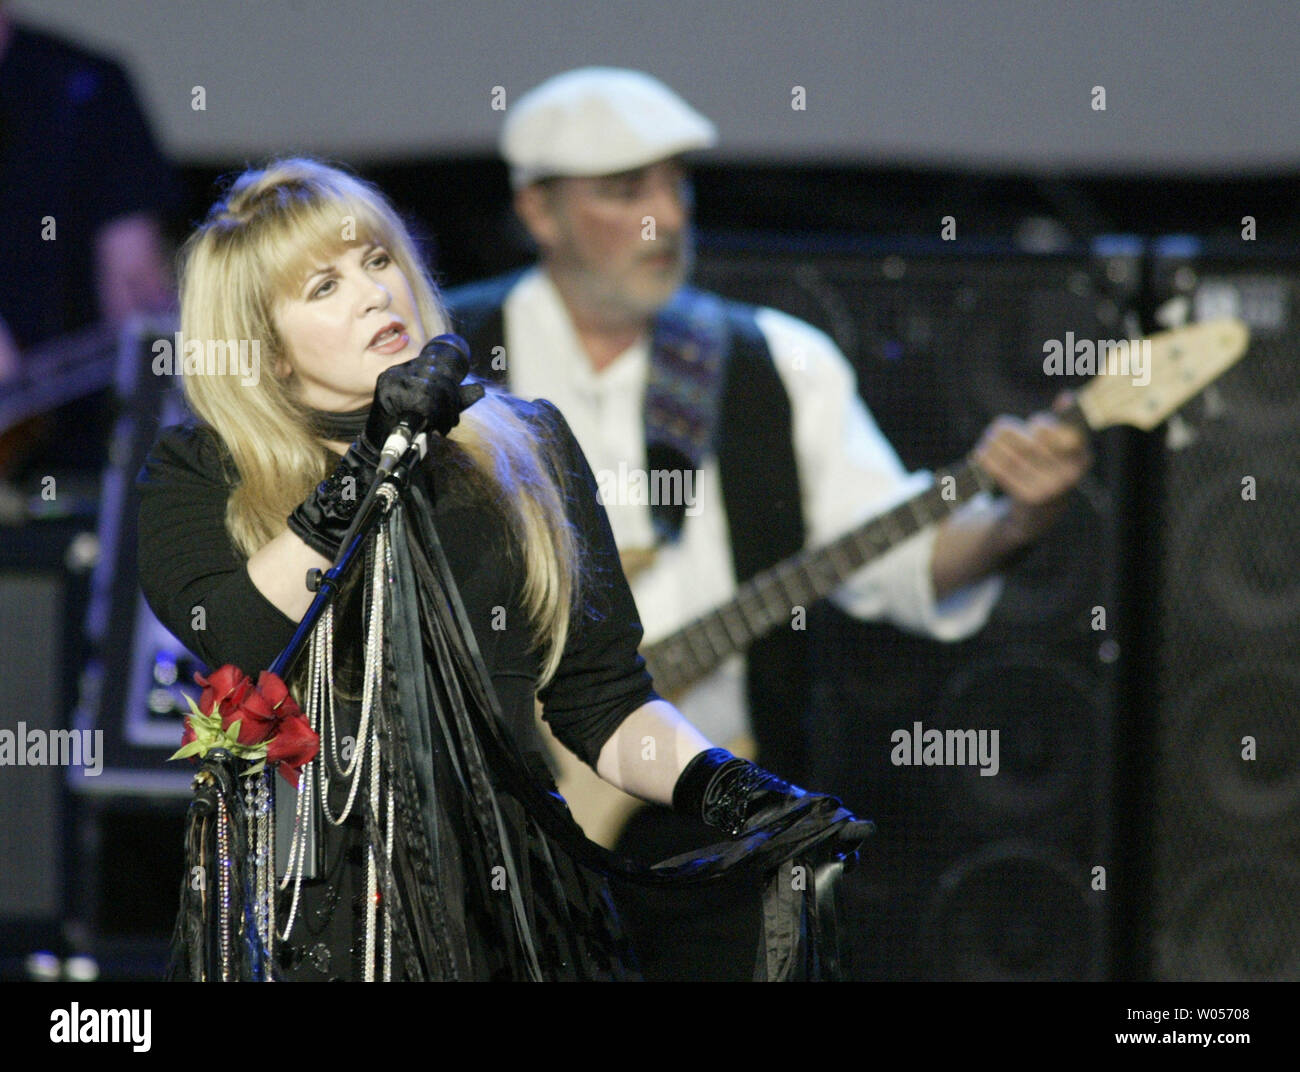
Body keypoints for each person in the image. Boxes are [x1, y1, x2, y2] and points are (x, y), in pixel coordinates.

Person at [135, 158, 870, 981]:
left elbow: (604, 703)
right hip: (321, 923)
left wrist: (736, 795)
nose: (376, 293)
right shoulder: (204, 472)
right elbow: (236, 637)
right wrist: (371, 458)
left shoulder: (527, 445)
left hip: (519, 909)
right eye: (325, 288)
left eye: (378, 261)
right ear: (268, 355)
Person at [442, 67, 1092, 977]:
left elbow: (906, 562)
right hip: (492, 801)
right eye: (627, 191)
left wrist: (1017, 519)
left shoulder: (780, 363)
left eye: (677, 184)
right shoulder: (450, 362)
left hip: (715, 811)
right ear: (538, 213)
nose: (664, 217)